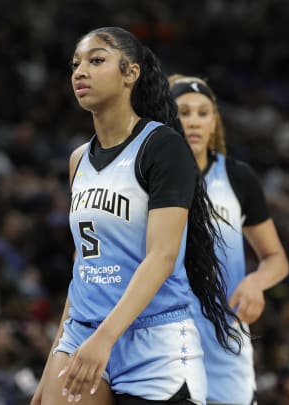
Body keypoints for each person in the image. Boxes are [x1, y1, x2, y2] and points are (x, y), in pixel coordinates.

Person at [31, 27, 243, 405]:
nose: (80, 71)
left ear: (131, 73)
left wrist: (106, 338)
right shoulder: (78, 159)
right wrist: (53, 362)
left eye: (97, 61)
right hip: (84, 331)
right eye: (76, 64)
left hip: (153, 339)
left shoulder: (162, 147)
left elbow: (161, 257)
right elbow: (84, 262)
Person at [169, 74, 289, 405]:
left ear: (214, 122)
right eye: (183, 111)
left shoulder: (238, 178)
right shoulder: (147, 177)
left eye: (202, 112)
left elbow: (276, 258)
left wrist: (256, 282)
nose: (193, 121)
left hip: (225, 339)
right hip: (163, 338)